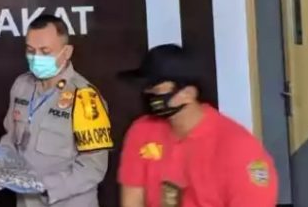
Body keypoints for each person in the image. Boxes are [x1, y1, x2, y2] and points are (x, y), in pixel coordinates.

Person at [0, 14, 112, 206]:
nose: (36, 58)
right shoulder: (21, 86)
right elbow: (12, 139)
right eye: (31, 50)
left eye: (45, 51)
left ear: (67, 52)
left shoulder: (85, 97)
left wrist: (43, 186)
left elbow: (93, 167)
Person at [117, 43, 278, 207]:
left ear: (188, 94)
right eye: (147, 90)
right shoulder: (142, 131)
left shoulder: (238, 148)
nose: (149, 96)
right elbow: (131, 200)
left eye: (156, 91)